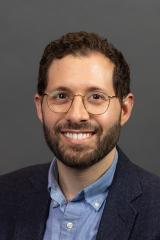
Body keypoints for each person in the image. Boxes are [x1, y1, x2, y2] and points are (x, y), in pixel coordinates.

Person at [0, 31, 160, 240]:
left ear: (124, 110)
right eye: (61, 96)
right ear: (40, 107)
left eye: (96, 97)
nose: (76, 115)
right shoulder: (5, 196)